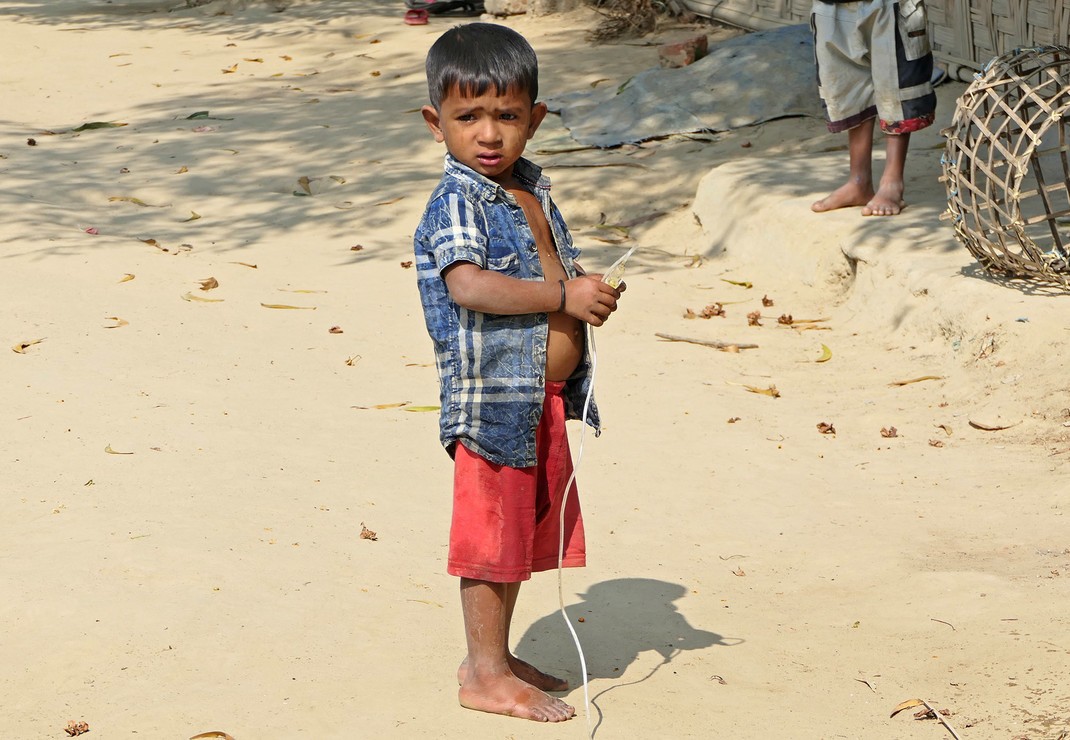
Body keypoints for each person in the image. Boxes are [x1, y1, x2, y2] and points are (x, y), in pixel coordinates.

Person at [412, 23, 624, 722]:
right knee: (489, 540)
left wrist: (585, 293)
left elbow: (548, 269)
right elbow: (470, 286)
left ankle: (493, 657)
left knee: (518, 538)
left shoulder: (530, 187)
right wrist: (563, 297)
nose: (489, 134)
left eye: (506, 115)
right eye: (468, 117)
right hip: (492, 400)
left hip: (541, 394)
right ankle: (482, 676)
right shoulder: (458, 200)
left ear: (534, 118)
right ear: (434, 122)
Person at [809, 0, 937, 216]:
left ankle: (892, 182)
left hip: (889, 6)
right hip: (832, 6)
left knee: (895, 87)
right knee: (848, 88)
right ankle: (858, 181)